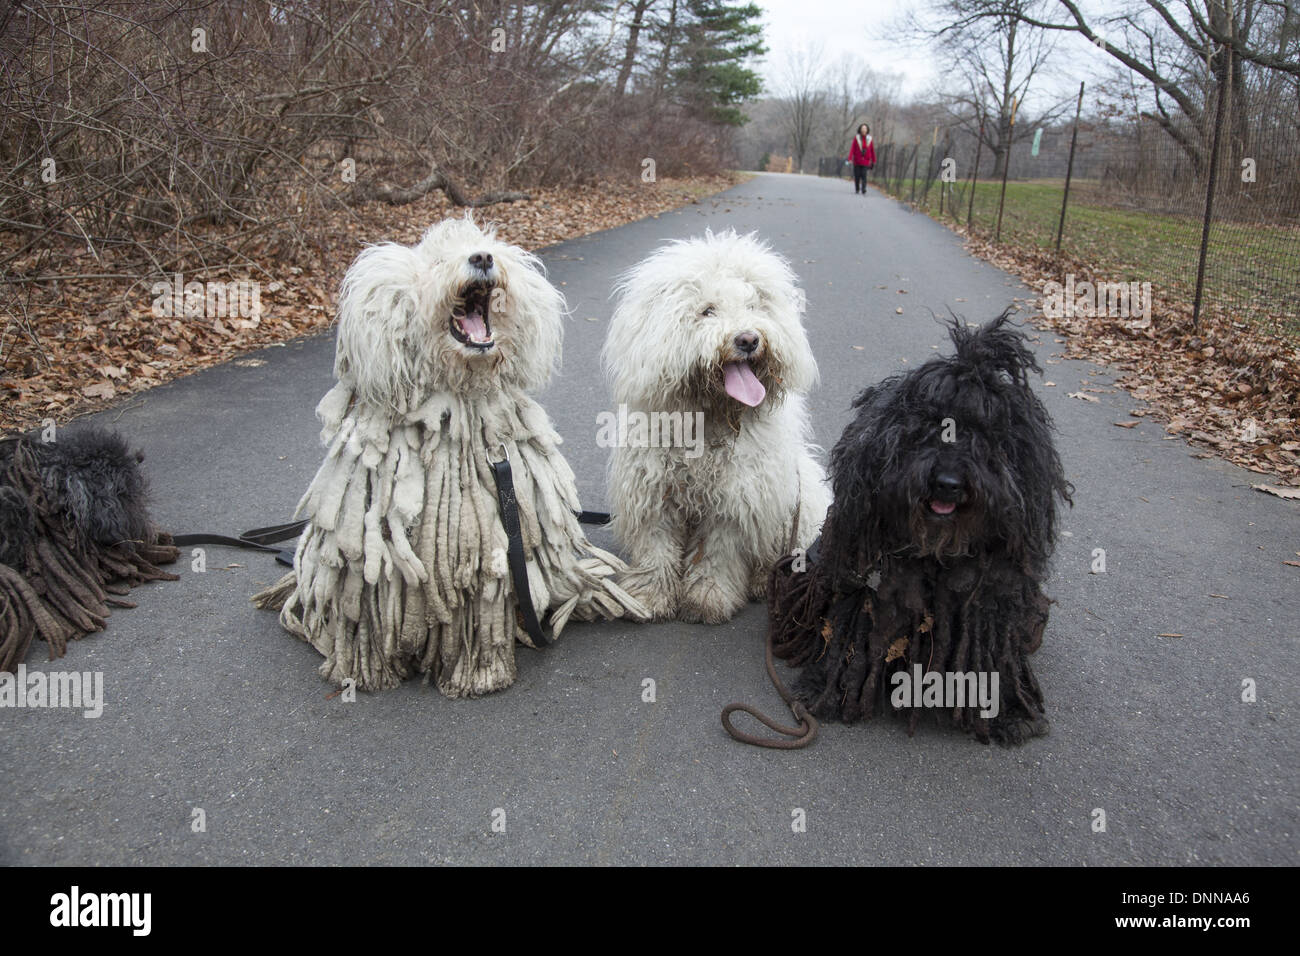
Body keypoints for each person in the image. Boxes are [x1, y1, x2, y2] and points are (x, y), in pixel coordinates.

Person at [848, 123, 876, 195]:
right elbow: (852, 148)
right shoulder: (856, 138)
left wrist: (873, 160)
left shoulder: (869, 139)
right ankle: (857, 188)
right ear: (860, 130)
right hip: (857, 160)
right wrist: (850, 158)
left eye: (865, 128)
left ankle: (863, 189)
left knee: (864, 175)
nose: (864, 130)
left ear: (867, 130)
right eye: (862, 128)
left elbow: (872, 150)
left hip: (866, 160)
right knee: (857, 175)